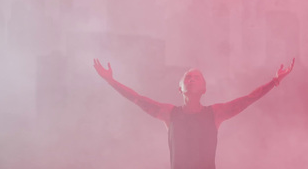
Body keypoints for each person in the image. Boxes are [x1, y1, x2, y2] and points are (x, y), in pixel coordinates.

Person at [93, 58, 295, 169]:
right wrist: (111, 81)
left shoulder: (215, 113)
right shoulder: (169, 114)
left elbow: (247, 100)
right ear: (179, 88)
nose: (191, 79)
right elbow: (138, 99)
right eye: (187, 77)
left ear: (205, 88)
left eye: (196, 77)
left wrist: (274, 81)